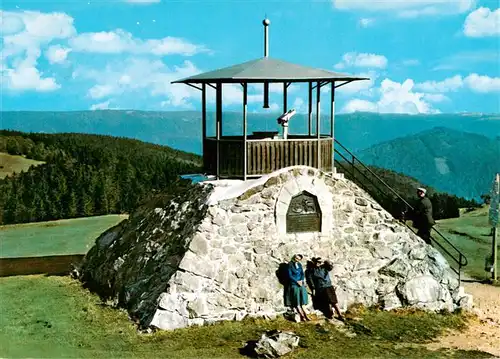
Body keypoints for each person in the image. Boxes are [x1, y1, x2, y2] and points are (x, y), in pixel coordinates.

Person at [285, 254, 310, 322]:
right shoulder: (290, 265)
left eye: (298, 259)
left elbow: (302, 273)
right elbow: (289, 275)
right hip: (294, 284)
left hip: (300, 283)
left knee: (302, 299)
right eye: (296, 258)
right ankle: (302, 316)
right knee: (297, 301)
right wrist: (296, 281)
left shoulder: (299, 265)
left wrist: (301, 280)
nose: (296, 260)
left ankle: (306, 315)